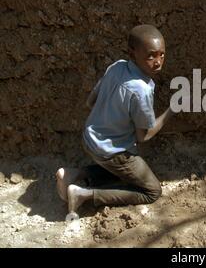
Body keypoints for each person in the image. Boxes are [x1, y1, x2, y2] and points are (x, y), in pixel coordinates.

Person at [56, 24, 174, 217]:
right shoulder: (141, 90)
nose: (158, 61)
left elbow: (90, 102)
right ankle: (84, 195)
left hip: (89, 139)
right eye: (151, 55)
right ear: (132, 53)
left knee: (125, 169)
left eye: (162, 54)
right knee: (152, 191)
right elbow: (143, 136)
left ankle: (73, 174)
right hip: (111, 153)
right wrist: (172, 110)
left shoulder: (116, 66)